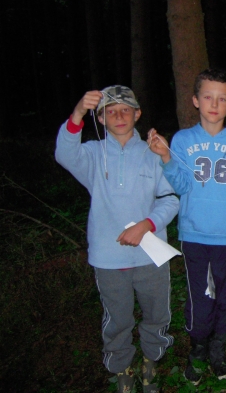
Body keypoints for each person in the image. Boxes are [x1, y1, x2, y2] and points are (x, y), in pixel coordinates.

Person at [148, 68, 226, 385]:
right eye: (208, 97)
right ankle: (198, 350)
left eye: (222, 99)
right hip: (194, 234)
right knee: (200, 297)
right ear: (196, 100)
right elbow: (181, 185)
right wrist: (166, 158)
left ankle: (218, 349)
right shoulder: (182, 140)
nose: (214, 104)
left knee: (225, 296)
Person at [55, 86, 179, 393]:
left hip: (151, 255)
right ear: (101, 118)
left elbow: (170, 198)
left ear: (137, 114)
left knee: (157, 313)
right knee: (118, 319)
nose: (119, 116)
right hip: (109, 258)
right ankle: (122, 367)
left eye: (126, 110)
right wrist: (78, 112)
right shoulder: (92, 155)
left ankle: (152, 360)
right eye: (110, 111)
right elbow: (64, 153)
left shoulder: (153, 152)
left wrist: (147, 225)